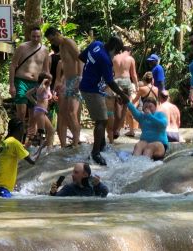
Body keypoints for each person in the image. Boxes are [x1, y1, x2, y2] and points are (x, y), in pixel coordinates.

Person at [79, 36, 129, 166]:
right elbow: (110, 82)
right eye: (117, 52)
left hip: (90, 86)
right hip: (91, 90)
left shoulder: (96, 44)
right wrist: (122, 95)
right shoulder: (105, 59)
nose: (116, 56)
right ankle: (96, 153)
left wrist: (92, 69)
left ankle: (101, 145)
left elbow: (81, 57)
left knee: (102, 118)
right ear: (113, 48)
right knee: (102, 120)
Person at [45, 26, 83, 148]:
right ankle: (72, 140)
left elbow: (80, 60)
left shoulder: (68, 42)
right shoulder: (61, 46)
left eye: (52, 40)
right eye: (50, 41)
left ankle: (76, 143)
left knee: (72, 112)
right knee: (64, 112)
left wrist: (80, 78)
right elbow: (65, 64)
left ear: (57, 34)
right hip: (67, 81)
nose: (52, 43)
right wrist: (61, 82)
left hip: (75, 79)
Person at [9, 26, 51, 133]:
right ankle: (19, 137)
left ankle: (30, 140)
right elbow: (13, 65)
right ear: (29, 36)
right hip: (21, 81)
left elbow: (46, 71)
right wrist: (12, 85)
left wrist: (48, 89)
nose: (36, 39)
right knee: (21, 112)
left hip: (36, 84)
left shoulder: (45, 50)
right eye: (33, 36)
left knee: (34, 114)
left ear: (41, 37)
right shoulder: (22, 47)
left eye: (38, 36)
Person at [0, 119, 43, 198]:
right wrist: (42, 145)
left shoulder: (5, 142)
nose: (24, 132)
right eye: (23, 129)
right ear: (20, 129)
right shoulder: (14, 143)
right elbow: (33, 161)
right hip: (1, 187)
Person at [123, 95, 168, 161]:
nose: (148, 108)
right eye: (146, 107)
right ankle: (133, 163)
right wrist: (124, 98)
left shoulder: (160, 115)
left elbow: (163, 124)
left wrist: (150, 116)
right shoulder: (141, 117)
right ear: (143, 108)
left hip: (159, 145)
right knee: (139, 144)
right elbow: (132, 108)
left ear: (155, 107)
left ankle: (143, 164)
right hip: (145, 143)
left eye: (150, 107)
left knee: (150, 146)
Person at [112, 46, 139, 141]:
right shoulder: (130, 59)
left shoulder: (114, 57)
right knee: (125, 106)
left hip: (115, 81)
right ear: (129, 51)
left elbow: (111, 71)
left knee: (116, 106)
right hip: (126, 81)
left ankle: (114, 129)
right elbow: (133, 74)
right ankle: (118, 130)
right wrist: (136, 85)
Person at [25, 72, 55, 149]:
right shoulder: (40, 87)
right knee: (40, 134)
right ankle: (27, 149)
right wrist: (43, 82)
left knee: (51, 131)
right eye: (49, 80)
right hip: (40, 112)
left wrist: (35, 102)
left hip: (41, 111)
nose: (51, 82)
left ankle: (49, 149)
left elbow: (27, 94)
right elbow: (38, 92)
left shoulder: (46, 87)